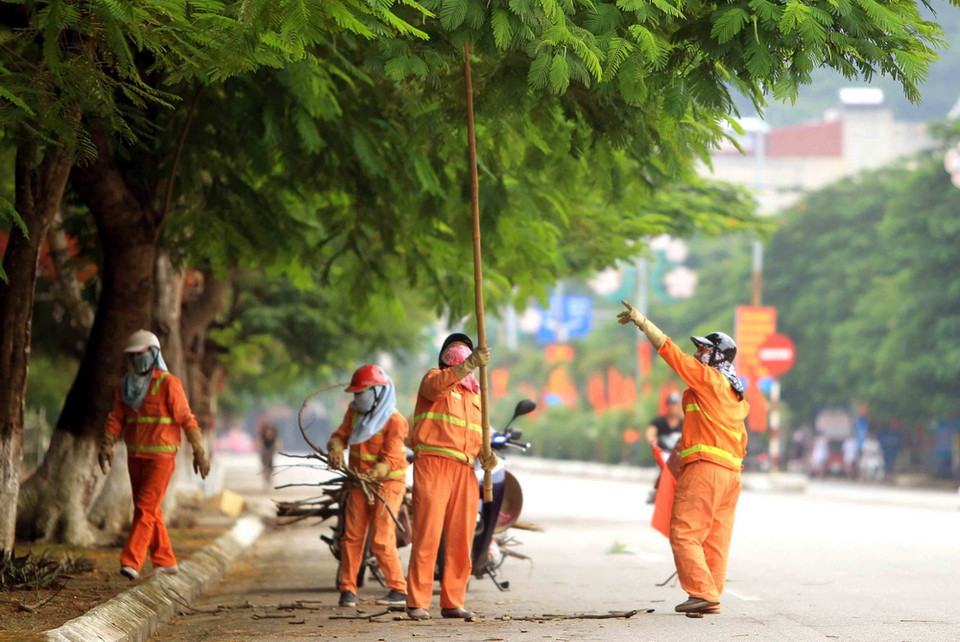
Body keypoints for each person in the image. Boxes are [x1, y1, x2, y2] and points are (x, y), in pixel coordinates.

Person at [618, 301, 749, 615]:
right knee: (715, 537)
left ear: (716, 357)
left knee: (685, 532)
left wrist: (643, 322)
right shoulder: (735, 393)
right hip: (731, 473)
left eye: (705, 350)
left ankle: (703, 592)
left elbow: (671, 353)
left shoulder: (709, 380)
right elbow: (741, 439)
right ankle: (710, 594)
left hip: (706, 469)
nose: (699, 354)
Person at [97, 330, 210, 581]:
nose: (137, 358)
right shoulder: (126, 384)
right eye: (133, 355)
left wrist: (199, 451)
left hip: (162, 456)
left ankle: (131, 561)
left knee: (145, 508)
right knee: (149, 508)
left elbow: (187, 419)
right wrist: (107, 443)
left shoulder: (169, 383)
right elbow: (117, 417)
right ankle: (165, 559)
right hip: (135, 455)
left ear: (154, 353)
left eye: (142, 353)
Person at [405, 333, 497, 621]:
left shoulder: (476, 396)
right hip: (433, 464)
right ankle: (417, 602)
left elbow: (479, 435)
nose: (461, 353)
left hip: (465, 470)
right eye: (457, 351)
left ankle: (452, 601)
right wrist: (468, 364)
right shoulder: (434, 379)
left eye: (466, 351)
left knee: (460, 539)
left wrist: (487, 454)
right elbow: (435, 389)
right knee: (428, 533)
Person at [326, 364, 409, 609]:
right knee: (351, 536)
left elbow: (392, 458)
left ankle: (398, 589)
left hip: (387, 484)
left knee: (382, 538)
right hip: (357, 482)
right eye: (355, 393)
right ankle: (348, 590)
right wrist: (335, 449)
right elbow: (340, 435)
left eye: (361, 392)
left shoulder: (395, 420)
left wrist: (376, 473)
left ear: (377, 393)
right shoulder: (354, 414)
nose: (356, 398)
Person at [646, 392, 685, 503]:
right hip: (662, 456)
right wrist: (652, 439)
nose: (673, 408)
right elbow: (651, 432)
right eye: (671, 404)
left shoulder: (684, 424)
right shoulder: (659, 422)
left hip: (678, 458)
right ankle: (657, 490)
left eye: (676, 405)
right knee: (662, 470)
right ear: (667, 406)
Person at [257, 421, 282, 489]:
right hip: (265, 453)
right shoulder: (263, 436)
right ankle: (266, 479)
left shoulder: (274, 436)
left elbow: (277, 442)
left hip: (270, 453)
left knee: (270, 466)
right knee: (265, 466)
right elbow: (260, 443)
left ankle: (269, 479)